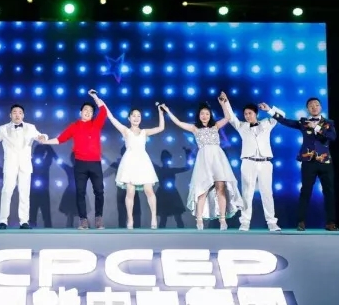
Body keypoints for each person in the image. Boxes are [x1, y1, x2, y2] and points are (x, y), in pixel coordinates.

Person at [160, 98, 243, 230]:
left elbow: (227, 117)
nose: (205, 116)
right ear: (199, 115)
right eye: (202, 114)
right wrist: (168, 111)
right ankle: (199, 221)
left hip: (217, 159)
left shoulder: (215, 126)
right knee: (202, 190)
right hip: (203, 160)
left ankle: (222, 220)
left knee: (220, 188)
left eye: (207, 114)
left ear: (210, 115)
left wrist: (223, 103)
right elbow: (178, 122)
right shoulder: (195, 128)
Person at [260, 98, 338, 231]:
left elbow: (332, 137)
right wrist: (270, 110)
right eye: (311, 106)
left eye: (316, 105)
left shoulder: (328, 123)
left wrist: (317, 127)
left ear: (320, 107)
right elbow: (285, 121)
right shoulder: (303, 122)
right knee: (305, 191)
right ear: (307, 109)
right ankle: (301, 222)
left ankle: (331, 223)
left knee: (329, 192)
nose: (314, 107)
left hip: (325, 162)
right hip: (308, 162)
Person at [42, 90, 107, 229]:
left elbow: (103, 110)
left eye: (91, 111)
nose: (88, 112)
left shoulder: (96, 124)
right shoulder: (74, 126)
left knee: (99, 192)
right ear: (81, 112)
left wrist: (95, 96)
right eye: (85, 110)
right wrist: (46, 142)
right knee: (80, 192)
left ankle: (99, 219)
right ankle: (83, 220)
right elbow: (60, 139)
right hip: (80, 164)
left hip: (95, 163)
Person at [221, 92, 280, 231]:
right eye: (245, 114)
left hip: (265, 162)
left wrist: (269, 109)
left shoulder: (267, 123)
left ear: (256, 113)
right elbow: (231, 117)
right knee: (247, 193)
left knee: (267, 193)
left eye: (250, 113)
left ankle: (271, 222)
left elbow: (280, 116)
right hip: (248, 162)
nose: (247, 116)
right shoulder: (242, 126)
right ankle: (245, 222)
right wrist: (226, 102)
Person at [105, 104, 164, 229]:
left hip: (143, 163)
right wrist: (101, 103)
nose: (136, 118)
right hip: (130, 163)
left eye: (138, 116)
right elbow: (111, 118)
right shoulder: (126, 131)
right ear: (129, 118)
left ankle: (154, 218)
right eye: (134, 116)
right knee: (130, 192)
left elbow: (161, 128)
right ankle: (130, 220)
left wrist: (160, 112)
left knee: (149, 190)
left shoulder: (144, 132)